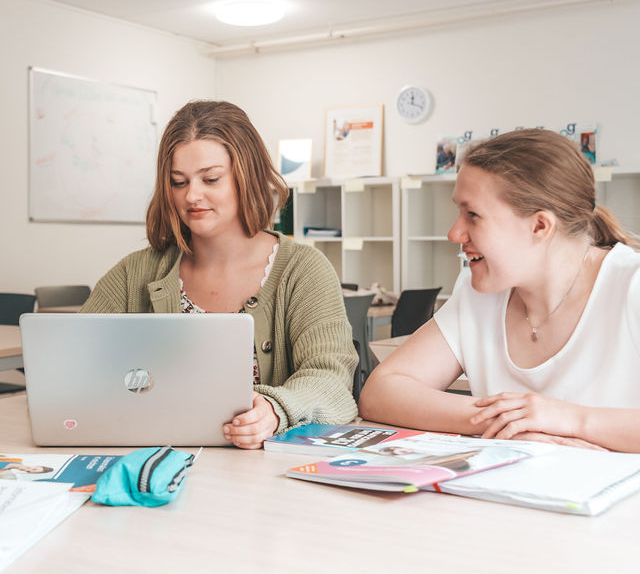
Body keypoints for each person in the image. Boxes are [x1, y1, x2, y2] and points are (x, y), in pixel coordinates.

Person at [81, 100, 358, 449]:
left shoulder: (303, 270)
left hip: (262, 477)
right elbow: (79, 359)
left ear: (248, 175)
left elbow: (331, 377)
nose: (192, 196)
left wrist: (275, 409)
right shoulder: (134, 272)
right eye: (178, 182)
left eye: (210, 179)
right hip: (157, 457)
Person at [359, 128, 640, 453]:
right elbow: (380, 391)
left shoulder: (631, 286)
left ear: (540, 226)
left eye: (473, 215)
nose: (454, 233)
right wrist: (506, 423)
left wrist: (568, 419)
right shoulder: (480, 291)